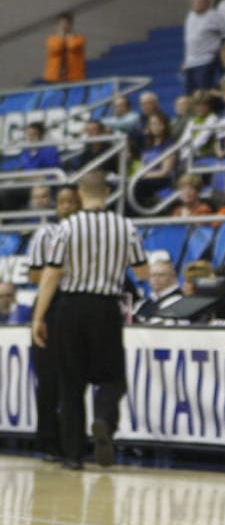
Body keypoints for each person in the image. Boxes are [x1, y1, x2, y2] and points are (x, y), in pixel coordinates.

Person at [30, 170, 149, 470]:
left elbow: (52, 273)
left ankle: (72, 456)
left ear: (81, 194)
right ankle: (104, 421)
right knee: (113, 379)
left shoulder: (67, 228)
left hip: (70, 308)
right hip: (106, 307)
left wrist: (38, 317)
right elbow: (144, 273)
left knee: (71, 383)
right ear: (107, 193)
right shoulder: (126, 226)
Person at [25, 183, 79, 461]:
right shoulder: (46, 233)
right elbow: (34, 276)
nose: (67, 206)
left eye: (72, 201)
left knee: (74, 378)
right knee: (48, 378)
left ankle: (73, 440)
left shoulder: (89, 234)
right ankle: (47, 440)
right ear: (56, 206)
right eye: (63, 202)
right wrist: (56, 273)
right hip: (51, 303)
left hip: (80, 304)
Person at [183, 0, 225, 93]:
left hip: (206, 61)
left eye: (200, 0)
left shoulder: (214, 16)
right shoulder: (190, 16)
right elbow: (190, 40)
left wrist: (221, 49)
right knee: (190, 95)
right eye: (195, 0)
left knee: (204, 94)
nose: (197, 3)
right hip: (191, 62)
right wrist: (186, 60)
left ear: (207, 2)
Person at [43, 12, 86, 83]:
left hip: (74, 77)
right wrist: (61, 36)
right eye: (61, 24)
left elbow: (72, 46)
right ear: (57, 25)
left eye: (67, 23)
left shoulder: (79, 38)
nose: (64, 26)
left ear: (71, 25)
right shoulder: (51, 39)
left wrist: (69, 36)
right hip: (54, 78)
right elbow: (56, 49)